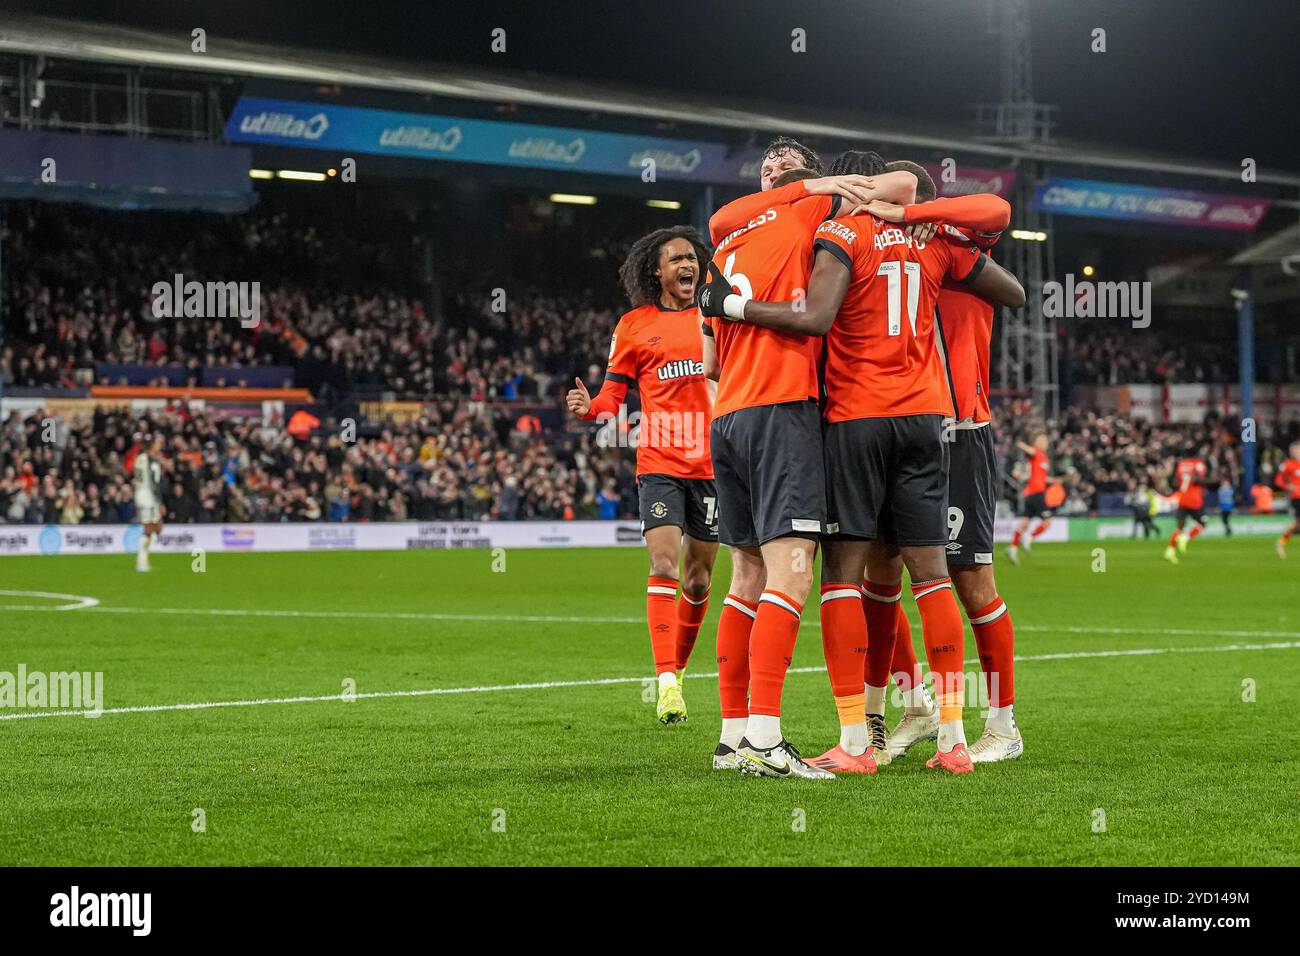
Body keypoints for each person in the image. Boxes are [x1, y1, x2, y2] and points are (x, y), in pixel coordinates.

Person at [700, 161, 1022, 774]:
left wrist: (732, 305)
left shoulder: (845, 237)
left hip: (869, 421)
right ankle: (938, 726)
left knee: (856, 577)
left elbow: (813, 317)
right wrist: (923, 222)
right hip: (929, 420)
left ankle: (867, 738)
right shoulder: (943, 245)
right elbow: (1011, 273)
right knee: (905, 577)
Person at [567, 226, 719, 724]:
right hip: (660, 461)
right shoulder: (633, 325)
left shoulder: (720, 312)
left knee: (698, 581)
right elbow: (613, 396)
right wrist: (591, 409)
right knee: (663, 563)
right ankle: (667, 682)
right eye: (676, 258)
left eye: (693, 258)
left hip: (715, 464)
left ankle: (678, 671)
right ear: (656, 271)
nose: (688, 264)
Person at [1007, 432, 1055, 565]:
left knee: (1024, 523)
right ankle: (1029, 538)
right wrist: (1021, 444)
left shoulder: (1044, 458)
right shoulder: (1037, 453)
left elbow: (1042, 477)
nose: (1044, 442)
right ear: (1036, 443)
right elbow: (1030, 451)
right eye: (1041, 440)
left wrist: (1055, 480)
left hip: (1030, 494)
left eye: (1045, 440)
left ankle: (1012, 548)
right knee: (1047, 521)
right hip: (1036, 494)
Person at [1164, 445, 1210, 564]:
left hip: (1182, 499)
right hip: (1194, 500)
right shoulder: (1198, 464)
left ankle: (1170, 550)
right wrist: (1209, 481)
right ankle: (1186, 537)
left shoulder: (1181, 464)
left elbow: (1174, 481)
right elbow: (1198, 479)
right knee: (1203, 524)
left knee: (1179, 527)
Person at [131, 433, 165, 572]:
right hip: (148, 496)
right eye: (157, 443)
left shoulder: (141, 458)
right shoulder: (150, 460)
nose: (160, 445)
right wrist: (160, 502)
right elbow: (152, 483)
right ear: (151, 446)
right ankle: (141, 559)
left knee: (156, 527)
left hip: (142, 494)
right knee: (150, 528)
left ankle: (143, 557)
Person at [1274, 441, 1300, 558]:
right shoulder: (1288, 464)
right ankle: (1281, 542)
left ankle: (1281, 542)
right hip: (1297, 497)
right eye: (1295, 450)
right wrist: (1288, 486)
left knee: (1297, 523)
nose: (1297, 452)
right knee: (1297, 523)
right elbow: (1278, 480)